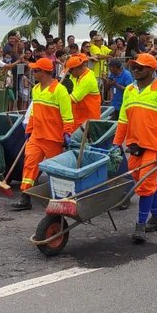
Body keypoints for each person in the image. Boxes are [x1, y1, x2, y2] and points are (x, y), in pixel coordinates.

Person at [112, 53, 157, 243]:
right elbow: (123, 120)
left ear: (151, 69)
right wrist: (117, 143)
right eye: (134, 67)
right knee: (144, 182)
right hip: (134, 147)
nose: (136, 70)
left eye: (140, 67)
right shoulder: (129, 91)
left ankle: (140, 226)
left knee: (145, 184)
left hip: (154, 148)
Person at [11, 58, 74, 210]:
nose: (33, 73)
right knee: (29, 165)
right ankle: (25, 197)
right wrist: (29, 129)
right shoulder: (37, 89)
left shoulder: (59, 90)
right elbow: (34, 113)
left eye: (36, 70)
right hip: (36, 137)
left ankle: (60, 199)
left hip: (53, 138)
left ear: (44, 73)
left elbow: (67, 116)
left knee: (55, 171)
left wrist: (67, 133)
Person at [65, 54, 101, 128]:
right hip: (78, 118)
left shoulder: (88, 79)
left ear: (76, 69)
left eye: (70, 71)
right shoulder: (76, 75)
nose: (69, 73)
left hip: (87, 121)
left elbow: (73, 98)